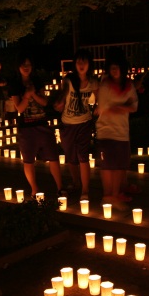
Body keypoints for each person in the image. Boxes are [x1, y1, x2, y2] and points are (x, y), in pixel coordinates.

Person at [8, 53, 64, 198]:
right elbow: (20, 108)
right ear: (18, 67)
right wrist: (27, 95)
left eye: (28, 64)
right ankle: (34, 189)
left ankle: (60, 188)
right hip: (26, 128)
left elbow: (44, 102)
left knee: (53, 157)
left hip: (42, 124)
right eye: (23, 65)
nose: (26, 67)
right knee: (28, 160)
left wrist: (33, 94)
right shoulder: (15, 84)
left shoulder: (37, 81)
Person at [96, 48, 138, 210]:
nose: (114, 70)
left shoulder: (128, 85)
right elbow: (104, 107)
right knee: (107, 165)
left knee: (120, 166)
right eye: (112, 67)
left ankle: (114, 195)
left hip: (122, 132)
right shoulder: (105, 85)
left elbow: (134, 106)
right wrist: (123, 106)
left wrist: (120, 107)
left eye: (117, 66)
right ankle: (107, 196)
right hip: (106, 131)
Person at [54, 49, 99, 200]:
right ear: (74, 64)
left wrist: (97, 108)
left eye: (84, 61)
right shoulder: (68, 80)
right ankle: (76, 182)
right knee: (71, 156)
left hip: (84, 123)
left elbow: (99, 98)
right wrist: (59, 103)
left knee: (83, 156)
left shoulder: (93, 82)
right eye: (78, 61)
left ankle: (85, 190)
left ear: (89, 64)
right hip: (67, 123)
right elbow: (62, 96)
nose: (81, 64)